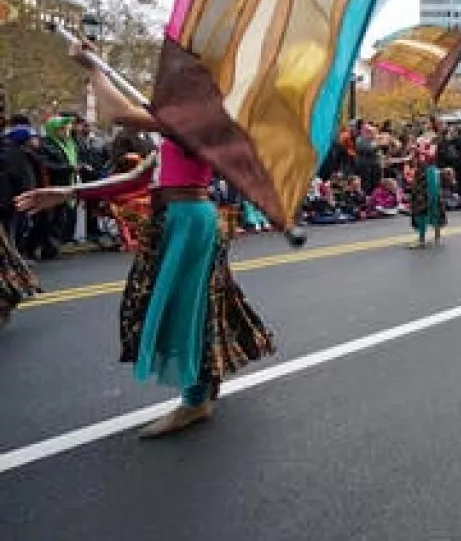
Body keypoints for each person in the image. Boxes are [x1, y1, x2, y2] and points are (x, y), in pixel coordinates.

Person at [17, 43, 275, 438]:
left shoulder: (204, 119)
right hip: (178, 218)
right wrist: (67, 193)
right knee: (198, 304)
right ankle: (203, 386)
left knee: (180, 306)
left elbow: (119, 113)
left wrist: (93, 68)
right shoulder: (181, 125)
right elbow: (138, 178)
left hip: (188, 219)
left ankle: (195, 401)